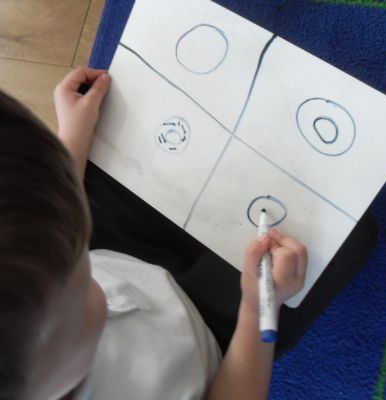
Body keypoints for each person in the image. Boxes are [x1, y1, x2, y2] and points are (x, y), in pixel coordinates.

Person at [0, 66, 307, 400]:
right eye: (84, 285)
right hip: (213, 338)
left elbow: (59, 225)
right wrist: (256, 307)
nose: (92, 282)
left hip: (123, 259)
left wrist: (73, 138)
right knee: (310, 253)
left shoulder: (43, 308)